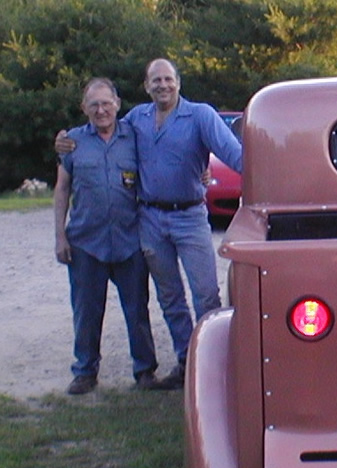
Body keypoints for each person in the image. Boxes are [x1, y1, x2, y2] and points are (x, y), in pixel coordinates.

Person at [58, 59, 243, 390]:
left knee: (205, 295)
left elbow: (235, 156)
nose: (162, 85)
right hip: (150, 220)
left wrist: (267, 169)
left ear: (178, 82)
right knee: (169, 298)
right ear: (146, 86)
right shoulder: (135, 120)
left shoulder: (200, 115)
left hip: (189, 217)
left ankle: (217, 364)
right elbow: (97, 137)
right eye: (155, 80)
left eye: (168, 79)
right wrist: (62, 142)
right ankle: (187, 362)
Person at [54, 78, 158, 395]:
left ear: (117, 104)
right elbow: (62, 189)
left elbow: (165, 159)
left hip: (129, 240)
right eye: (94, 104)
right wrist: (60, 237)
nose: (101, 110)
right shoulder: (72, 142)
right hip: (86, 242)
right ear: (84, 108)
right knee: (86, 311)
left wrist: (202, 171)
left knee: (137, 310)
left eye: (106, 103)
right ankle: (85, 371)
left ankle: (145, 371)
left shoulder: (135, 137)